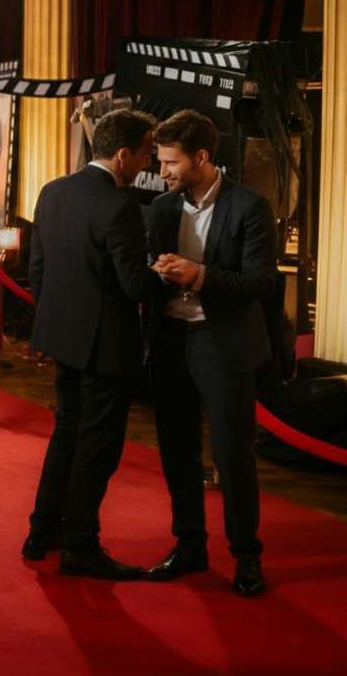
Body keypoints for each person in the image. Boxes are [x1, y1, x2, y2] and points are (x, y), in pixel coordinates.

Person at [22, 108, 157, 580]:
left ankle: (43, 531)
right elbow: (135, 285)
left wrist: (56, 317)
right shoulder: (119, 206)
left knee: (66, 433)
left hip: (63, 336)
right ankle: (80, 545)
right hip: (105, 345)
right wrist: (165, 273)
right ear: (123, 154)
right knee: (97, 445)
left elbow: (36, 268)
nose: (147, 165)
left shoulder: (52, 191)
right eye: (144, 155)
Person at [144, 109, 274, 597]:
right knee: (177, 451)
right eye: (160, 162)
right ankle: (189, 546)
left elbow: (261, 282)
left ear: (201, 158)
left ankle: (246, 557)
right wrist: (155, 271)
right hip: (171, 342)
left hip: (224, 345)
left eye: (171, 163)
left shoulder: (250, 206)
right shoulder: (161, 208)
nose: (163, 172)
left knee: (232, 455)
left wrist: (197, 275)